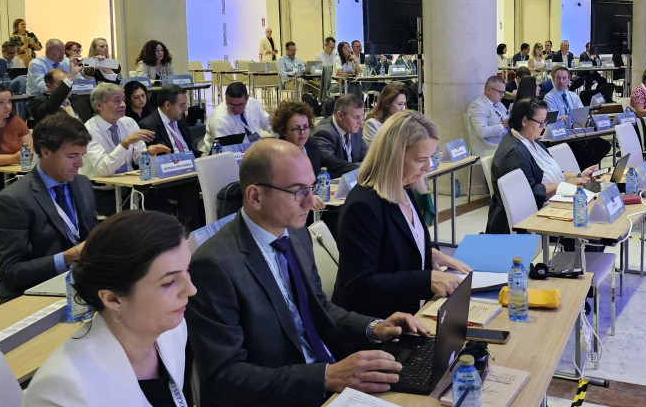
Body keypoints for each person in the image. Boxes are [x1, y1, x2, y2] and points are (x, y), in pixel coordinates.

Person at [186, 139, 429, 407]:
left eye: (311, 187)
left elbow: (318, 308)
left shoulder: (296, 233)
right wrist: (326, 376)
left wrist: (374, 328)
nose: (313, 201)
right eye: (298, 191)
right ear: (255, 196)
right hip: (286, 394)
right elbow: (225, 377)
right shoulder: (213, 266)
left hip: (329, 379)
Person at [23, 210, 193, 407]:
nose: (191, 289)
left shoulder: (172, 330)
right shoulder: (64, 390)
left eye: (187, 270)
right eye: (169, 282)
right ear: (113, 299)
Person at [334, 111, 472, 318]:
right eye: (420, 160)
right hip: (379, 325)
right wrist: (427, 280)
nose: (428, 167)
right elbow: (360, 286)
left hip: (409, 311)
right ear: (395, 157)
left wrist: (429, 253)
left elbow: (398, 242)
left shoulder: (405, 189)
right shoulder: (363, 205)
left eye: (430, 158)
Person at [0, 113, 96, 303]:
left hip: (80, 286)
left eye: (82, 155)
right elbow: (11, 272)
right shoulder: (12, 200)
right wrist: (68, 257)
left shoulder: (82, 184)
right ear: (45, 152)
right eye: (72, 156)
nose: (80, 164)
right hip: (32, 294)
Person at [485, 98, 597, 234]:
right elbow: (530, 193)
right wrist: (565, 185)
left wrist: (579, 176)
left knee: (594, 209)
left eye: (545, 122)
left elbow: (549, 172)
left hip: (551, 202)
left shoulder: (531, 140)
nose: (544, 126)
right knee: (589, 220)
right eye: (541, 122)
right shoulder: (514, 153)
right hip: (531, 217)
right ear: (524, 121)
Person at [82, 83, 170, 178]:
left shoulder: (129, 122)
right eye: (116, 101)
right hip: (102, 188)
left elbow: (139, 160)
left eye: (123, 100)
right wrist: (124, 144)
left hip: (129, 182)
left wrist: (149, 153)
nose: (123, 105)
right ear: (99, 105)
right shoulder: (88, 130)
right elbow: (103, 170)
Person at [542, 65, 611, 168]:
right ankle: (583, 171)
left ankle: (585, 169)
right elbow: (557, 120)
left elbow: (581, 113)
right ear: (553, 78)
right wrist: (570, 116)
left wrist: (568, 116)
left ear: (569, 79)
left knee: (603, 145)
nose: (561, 81)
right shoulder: (549, 98)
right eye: (558, 78)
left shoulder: (573, 95)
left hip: (577, 132)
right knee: (582, 152)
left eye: (564, 78)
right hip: (562, 136)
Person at [202, 82, 273, 151]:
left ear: (247, 99)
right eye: (231, 104)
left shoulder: (252, 103)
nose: (236, 109)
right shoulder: (219, 119)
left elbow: (267, 123)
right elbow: (225, 151)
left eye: (240, 104)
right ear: (226, 99)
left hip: (252, 149)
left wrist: (280, 134)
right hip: (228, 154)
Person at [312, 94, 368, 178]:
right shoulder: (323, 133)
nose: (361, 122)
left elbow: (366, 155)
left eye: (362, 116)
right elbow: (332, 164)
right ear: (340, 116)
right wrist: (365, 169)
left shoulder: (355, 130)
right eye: (356, 117)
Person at [139, 85, 198, 155]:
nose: (186, 109)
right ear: (167, 105)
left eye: (186, 105)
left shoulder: (180, 119)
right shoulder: (147, 126)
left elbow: (189, 149)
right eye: (182, 105)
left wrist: (202, 155)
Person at [271, 101, 323, 179]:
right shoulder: (277, 156)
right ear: (283, 131)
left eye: (305, 127)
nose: (302, 132)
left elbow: (331, 164)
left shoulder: (311, 144)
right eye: (296, 129)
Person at [465, 76, 509, 158]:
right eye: (500, 92)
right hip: (489, 148)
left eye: (504, 92)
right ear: (489, 90)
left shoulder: (499, 104)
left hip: (504, 144)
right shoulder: (477, 106)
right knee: (519, 154)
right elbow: (482, 131)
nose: (502, 95)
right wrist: (503, 125)